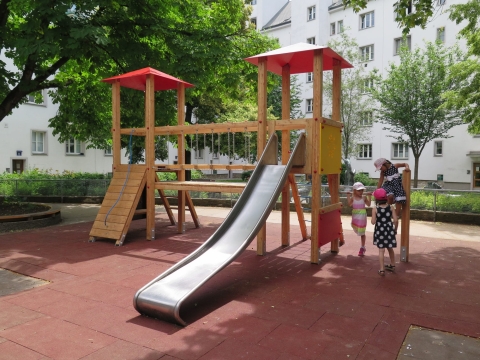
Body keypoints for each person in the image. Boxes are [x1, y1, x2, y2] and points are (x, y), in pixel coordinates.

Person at [371, 188, 398, 276]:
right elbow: (396, 220)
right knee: (390, 248)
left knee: (381, 250)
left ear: (376, 199)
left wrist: (374, 218)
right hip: (389, 230)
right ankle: (393, 265)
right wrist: (395, 229)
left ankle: (382, 270)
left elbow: (373, 222)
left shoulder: (375, 209)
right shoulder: (391, 207)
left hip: (380, 231)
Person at [346, 182, 371, 256]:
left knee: (362, 232)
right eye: (359, 190)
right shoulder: (353, 198)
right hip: (356, 216)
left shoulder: (363, 197)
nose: (361, 192)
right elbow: (350, 204)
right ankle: (362, 247)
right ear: (354, 191)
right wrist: (348, 196)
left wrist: (369, 196)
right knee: (356, 228)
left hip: (362, 217)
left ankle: (362, 247)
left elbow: (369, 204)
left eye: (362, 190)